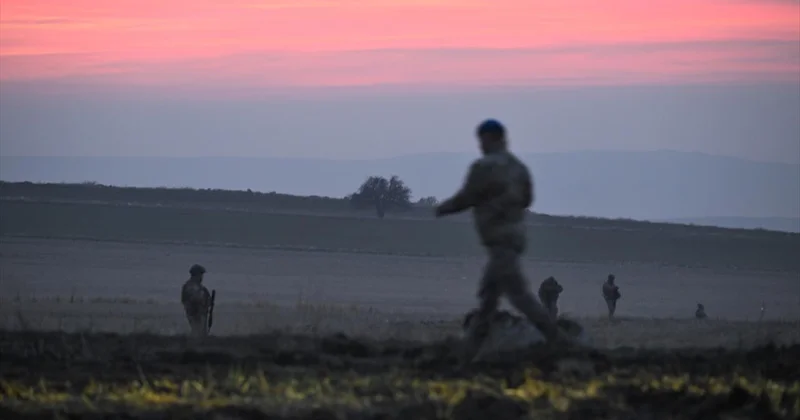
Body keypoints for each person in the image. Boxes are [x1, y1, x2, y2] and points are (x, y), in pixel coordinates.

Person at [435, 119, 573, 361]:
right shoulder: (518, 167)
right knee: (488, 300)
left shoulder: (485, 167)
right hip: (513, 239)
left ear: (490, 138)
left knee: (519, 297)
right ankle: (469, 351)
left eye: (482, 139)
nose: (480, 145)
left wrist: (442, 209)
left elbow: (466, 197)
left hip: (499, 242)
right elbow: (528, 199)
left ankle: (560, 341)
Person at [181, 264, 212, 337]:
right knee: (197, 330)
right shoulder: (190, 286)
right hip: (195, 312)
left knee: (201, 331)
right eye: (200, 275)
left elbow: (207, 298)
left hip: (201, 312)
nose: (201, 277)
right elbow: (190, 300)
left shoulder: (200, 287)